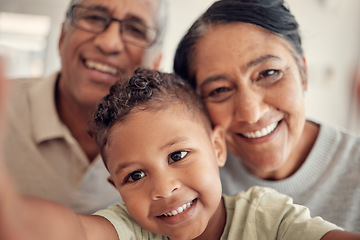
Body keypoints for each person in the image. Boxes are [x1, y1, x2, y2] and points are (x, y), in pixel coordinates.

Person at [2, 67, 360, 240]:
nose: (163, 188)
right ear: (117, 187)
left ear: (217, 147)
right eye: (135, 176)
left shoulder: (269, 218)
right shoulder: (133, 228)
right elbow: (72, 231)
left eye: (177, 156)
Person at [173, 0, 360, 232]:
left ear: (303, 73)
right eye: (220, 90)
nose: (251, 113)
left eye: (269, 73)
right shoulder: (184, 186)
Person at [2, 0, 167, 214]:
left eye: (135, 30)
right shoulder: (5, 106)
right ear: (62, 37)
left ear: (155, 63)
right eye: (94, 18)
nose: (109, 43)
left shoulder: (171, 146)